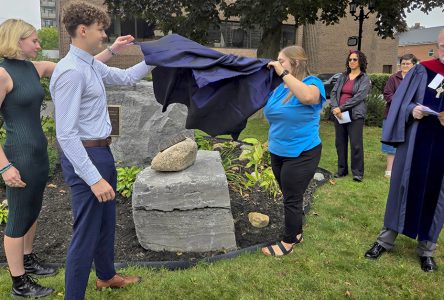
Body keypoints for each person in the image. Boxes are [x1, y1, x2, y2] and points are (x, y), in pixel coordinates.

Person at [0, 18, 132, 298]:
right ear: (16, 40)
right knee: (17, 216)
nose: (39, 44)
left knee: (32, 210)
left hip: (38, 150)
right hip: (18, 153)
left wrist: (113, 50)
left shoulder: (35, 68)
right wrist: (4, 166)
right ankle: (19, 282)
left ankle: (28, 260)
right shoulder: (2, 74)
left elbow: (80, 65)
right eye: (33, 40)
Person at [50, 2, 153, 299]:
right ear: (82, 30)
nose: (105, 35)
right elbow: (66, 135)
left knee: (106, 221)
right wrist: (94, 179)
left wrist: (156, 57)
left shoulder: (89, 64)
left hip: (101, 152)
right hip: (85, 157)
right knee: (86, 233)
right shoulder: (71, 72)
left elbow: (126, 77)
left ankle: (106, 277)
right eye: (100, 29)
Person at [364, 29, 444, 272]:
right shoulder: (424, 69)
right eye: (441, 45)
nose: (443, 51)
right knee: (402, 186)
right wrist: (412, 110)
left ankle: (427, 249)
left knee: (438, 196)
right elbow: (401, 101)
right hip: (416, 141)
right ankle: (385, 240)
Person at [261, 46, 326, 256]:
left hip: (302, 152)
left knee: (291, 198)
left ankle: (288, 242)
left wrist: (282, 72)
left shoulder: (312, 83)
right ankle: (296, 232)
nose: (276, 64)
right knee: (289, 195)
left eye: (281, 61)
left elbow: (308, 98)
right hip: (278, 151)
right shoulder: (280, 88)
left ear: (294, 63)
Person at [330, 51, 371, 182]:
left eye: (355, 59)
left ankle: (357, 172)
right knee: (340, 143)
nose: (352, 62)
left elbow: (359, 97)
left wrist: (341, 108)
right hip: (340, 115)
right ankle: (342, 170)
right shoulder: (343, 76)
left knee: (356, 144)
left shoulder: (364, 78)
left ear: (360, 61)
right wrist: (335, 108)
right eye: (350, 59)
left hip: (355, 115)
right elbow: (334, 92)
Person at [382, 54, 417, 178]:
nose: (405, 66)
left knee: (408, 142)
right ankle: (389, 169)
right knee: (391, 142)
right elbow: (387, 94)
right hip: (392, 115)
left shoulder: (417, 79)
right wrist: (402, 104)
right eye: (403, 63)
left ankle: (404, 169)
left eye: (408, 64)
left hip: (410, 116)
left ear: (413, 65)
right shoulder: (393, 78)